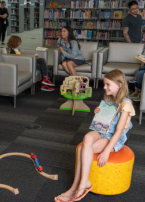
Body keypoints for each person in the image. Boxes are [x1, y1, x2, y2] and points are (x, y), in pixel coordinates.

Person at [55, 69, 135, 202]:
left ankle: (76, 187)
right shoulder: (110, 98)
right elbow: (104, 121)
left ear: (119, 85)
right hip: (102, 131)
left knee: (81, 149)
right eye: (105, 84)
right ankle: (82, 183)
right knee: (86, 138)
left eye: (108, 84)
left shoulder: (126, 104)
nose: (104, 87)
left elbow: (118, 131)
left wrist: (107, 151)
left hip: (113, 138)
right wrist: (98, 113)